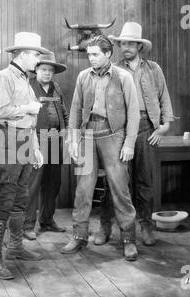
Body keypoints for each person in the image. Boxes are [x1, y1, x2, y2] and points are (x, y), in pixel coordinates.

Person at [62, 35, 140, 261]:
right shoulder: (83, 77)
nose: (91, 58)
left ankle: (128, 239)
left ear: (108, 54)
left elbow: (133, 113)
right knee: (83, 190)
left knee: (120, 190)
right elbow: (76, 109)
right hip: (87, 135)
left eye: (95, 54)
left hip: (114, 136)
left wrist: (129, 143)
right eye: (89, 54)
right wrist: (72, 139)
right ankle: (79, 236)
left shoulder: (123, 77)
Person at [0, 32, 48, 279]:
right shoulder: (3, 77)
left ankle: (15, 247)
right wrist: (27, 108)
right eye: (35, 55)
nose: (38, 60)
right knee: (5, 196)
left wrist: (34, 148)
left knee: (21, 195)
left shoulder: (25, 79)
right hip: (8, 139)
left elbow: (31, 122)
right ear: (22, 54)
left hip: (24, 140)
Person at [109, 22, 174, 246]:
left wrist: (164, 127)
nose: (125, 47)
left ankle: (146, 225)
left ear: (139, 45)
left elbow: (164, 98)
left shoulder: (153, 69)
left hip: (147, 128)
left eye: (129, 43)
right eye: (122, 43)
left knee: (145, 180)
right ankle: (114, 226)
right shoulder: (114, 70)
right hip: (122, 129)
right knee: (118, 180)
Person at [23, 52, 69, 240]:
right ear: (36, 69)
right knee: (33, 183)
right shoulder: (29, 86)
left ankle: (47, 220)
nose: (47, 73)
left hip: (56, 140)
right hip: (36, 139)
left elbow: (63, 112)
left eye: (50, 70)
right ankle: (27, 225)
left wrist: (66, 131)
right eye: (43, 69)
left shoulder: (56, 88)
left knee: (53, 182)